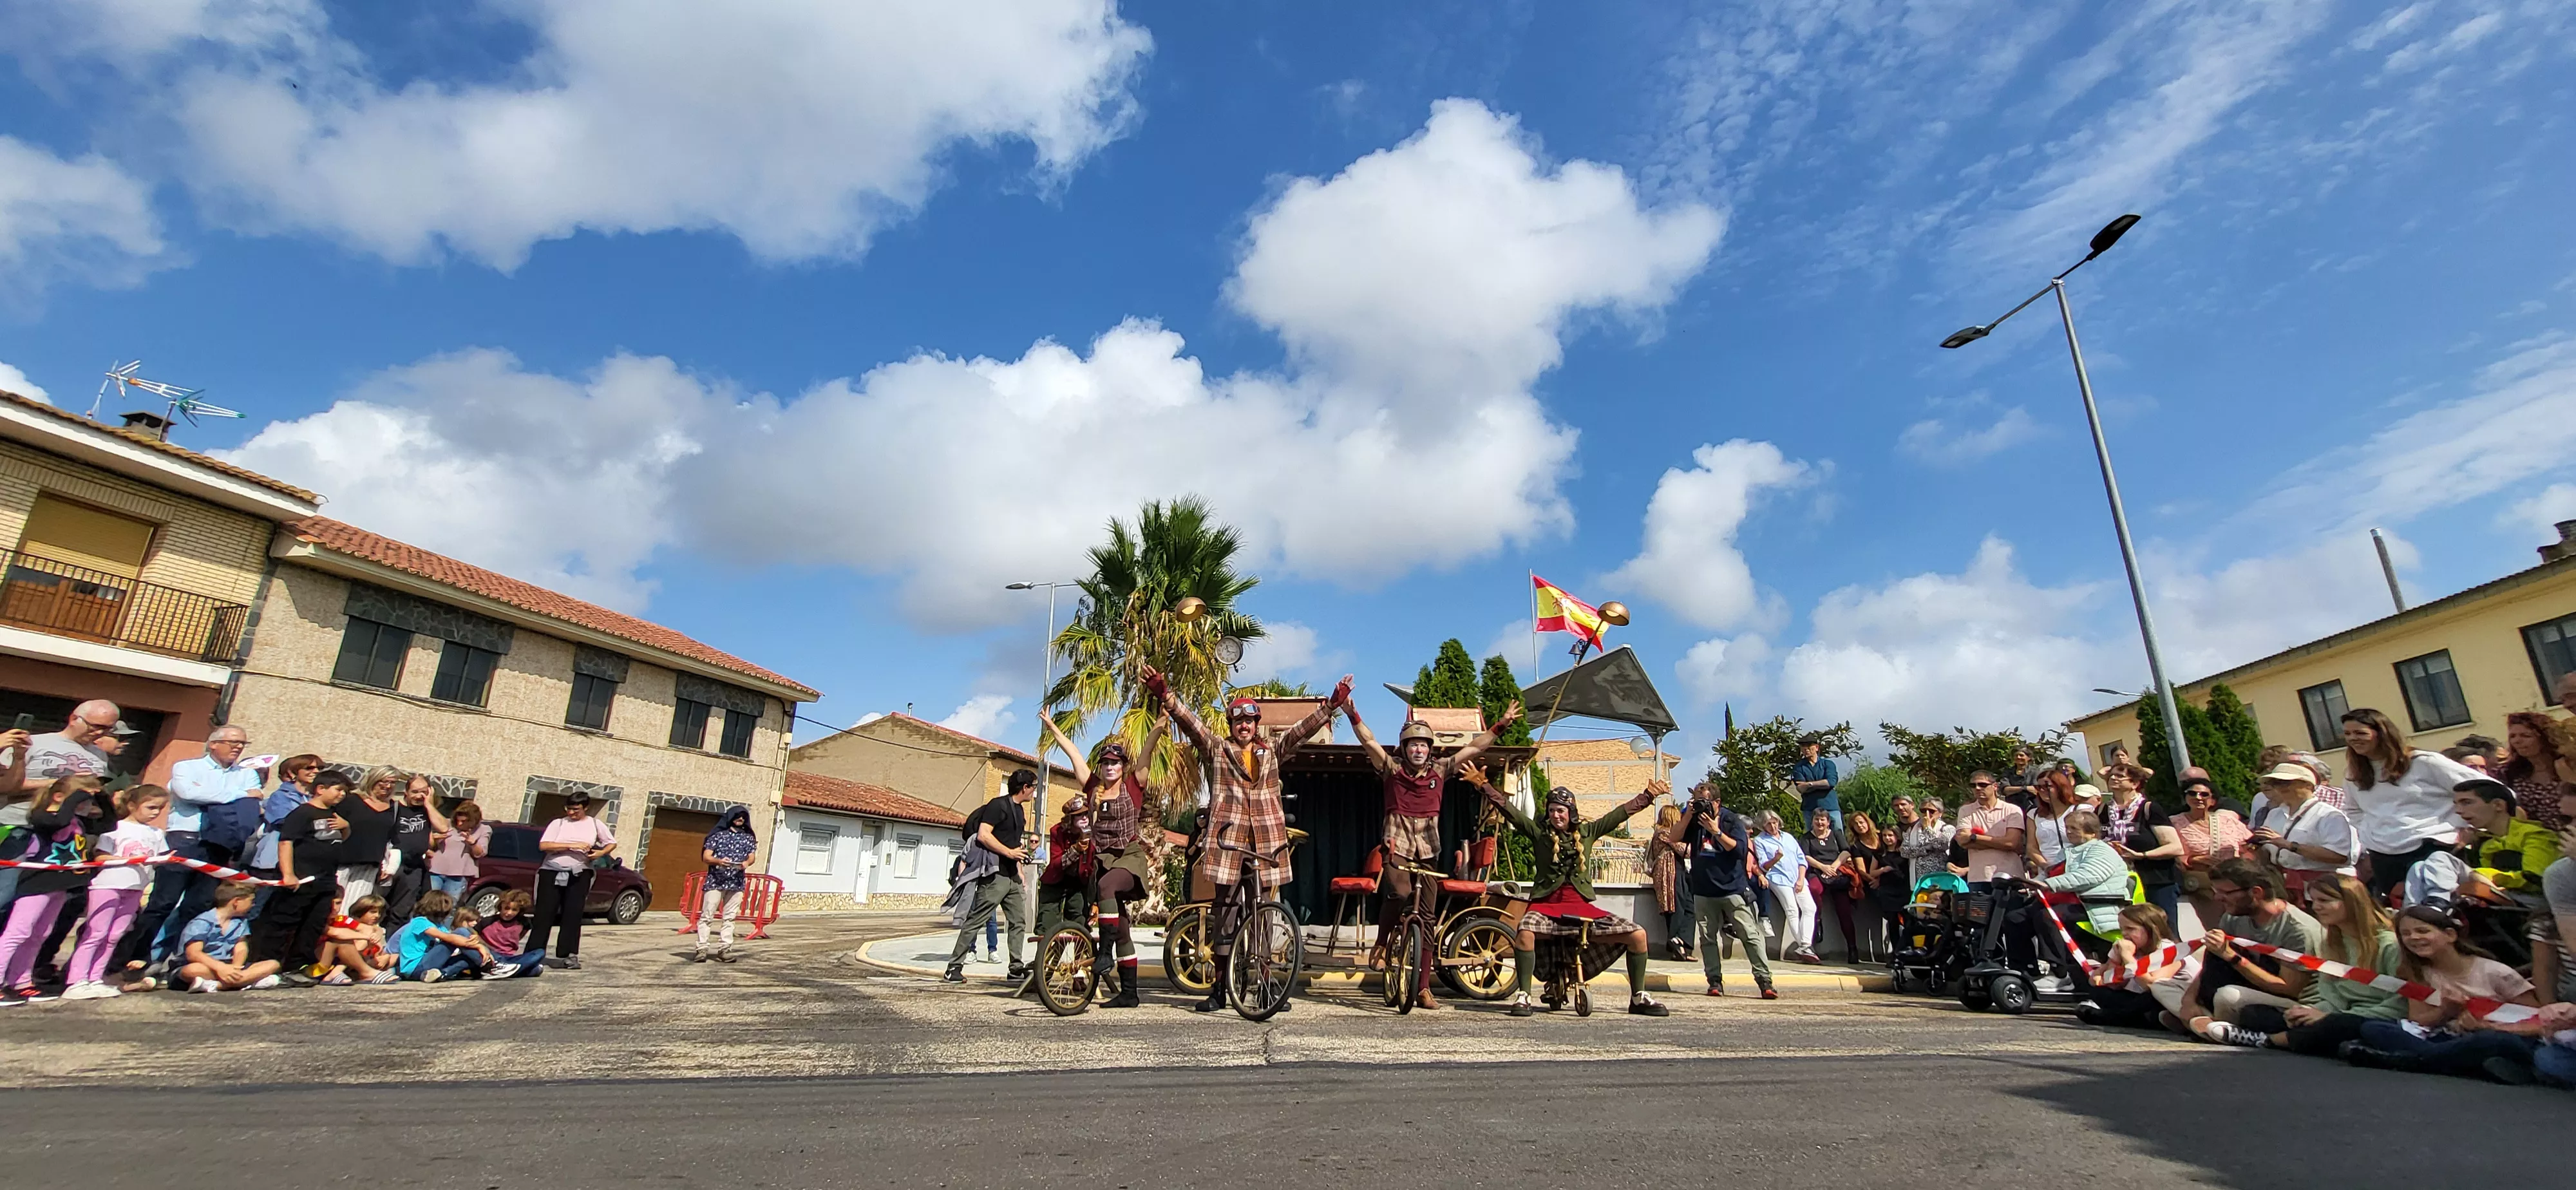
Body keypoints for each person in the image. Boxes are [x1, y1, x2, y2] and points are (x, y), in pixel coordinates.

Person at [1148, 665, 1343, 1014]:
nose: (1244, 727)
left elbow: (1300, 732)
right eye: (1239, 722)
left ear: (1256, 725)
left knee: (1263, 914)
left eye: (1250, 722)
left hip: (1265, 842)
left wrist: (1330, 707)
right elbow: (1192, 725)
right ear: (1231, 725)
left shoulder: (1271, 752)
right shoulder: (1218, 749)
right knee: (1225, 911)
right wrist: (1166, 695)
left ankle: (1265, 987)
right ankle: (1219, 989)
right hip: (1228, 842)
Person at [1339, 691, 1517, 1008]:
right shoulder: (1392, 769)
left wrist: (1500, 725)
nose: (1418, 750)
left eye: (1423, 745)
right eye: (1413, 745)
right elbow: (1369, 742)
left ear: (1430, 749)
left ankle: (1423, 988)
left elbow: (1475, 747)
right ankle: (1382, 943)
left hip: (1428, 852)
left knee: (1428, 919)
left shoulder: (1441, 770)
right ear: (1404, 748)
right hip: (1397, 847)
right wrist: (1353, 714)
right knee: (1400, 894)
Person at [1468, 766, 1670, 1017]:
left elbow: (1619, 814)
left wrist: (1648, 796)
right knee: (1525, 931)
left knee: (1638, 935)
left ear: (1571, 812)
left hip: (1581, 908)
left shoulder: (1587, 832)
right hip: (1545, 906)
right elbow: (1510, 811)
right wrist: (1484, 786)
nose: (1556, 815)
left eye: (1560, 811)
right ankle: (1524, 996)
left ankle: (1638, 997)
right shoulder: (1539, 833)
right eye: (1552, 810)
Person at [1039, 713, 1167, 1009]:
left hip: (1128, 859)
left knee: (1107, 886)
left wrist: (1160, 722)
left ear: (1123, 767)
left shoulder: (1134, 785)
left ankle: (1105, 953)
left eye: (1115, 763)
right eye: (1106, 763)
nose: (1110, 767)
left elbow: (1147, 750)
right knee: (1122, 928)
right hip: (1103, 861)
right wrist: (1053, 728)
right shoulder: (1093, 787)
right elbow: (1073, 753)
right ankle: (1130, 993)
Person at [2198, 874, 2403, 1055]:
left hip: (2371, 1016)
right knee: (2260, 1015)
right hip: (2335, 1012)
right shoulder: (2332, 942)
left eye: (2324, 900)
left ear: (2351, 903)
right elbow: (2330, 991)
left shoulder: (2388, 945)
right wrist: (2311, 1012)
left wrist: (2327, 1016)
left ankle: (2267, 1040)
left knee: (2337, 1026)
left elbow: (2399, 1004)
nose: (2316, 907)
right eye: (2314, 900)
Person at [2343, 905, 2546, 1082]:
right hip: (2447, 1037)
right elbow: (2418, 1019)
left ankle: (2414, 1060)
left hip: (2495, 1036)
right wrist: (2446, 1012)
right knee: (2373, 1028)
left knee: (2491, 1040)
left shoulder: (2496, 972)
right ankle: (2450, 1061)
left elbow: (2538, 1022)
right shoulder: (2419, 973)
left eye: (2423, 931)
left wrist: (2486, 1026)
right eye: (2406, 934)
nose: (2414, 938)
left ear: (2450, 935)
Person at [138, 724, 267, 972]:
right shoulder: (187, 767)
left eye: (243, 744)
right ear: (213, 744)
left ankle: (177, 959)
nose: (238, 747)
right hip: (184, 839)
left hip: (219, 843)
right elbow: (187, 793)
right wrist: (240, 794)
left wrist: (215, 794)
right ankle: (140, 956)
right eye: (233, 742)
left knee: (198, 905)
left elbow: (254, 799)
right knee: (163, 903)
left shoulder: (248, 774)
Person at [2340, 708, 2483, 899]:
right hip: (2384, 857)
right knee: (2404, 912)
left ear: (2382, 733)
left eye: (2360, 733)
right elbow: (2353, 810)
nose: (2353, 739)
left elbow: (2483, 789)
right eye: (2347, 734)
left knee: (2441, 908)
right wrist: (2370, 834)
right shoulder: (2354, 774)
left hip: (2433, 848)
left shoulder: (2423, 762)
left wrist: (2468, 825)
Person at [2179, 858, 2322, 1039]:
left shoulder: (2298, 930)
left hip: (2294, 1002)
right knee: (2164, 986)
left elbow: (2290, 989)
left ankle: (2210, 1025)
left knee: (2227, 996)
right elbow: (2211, 965)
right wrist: (2188, 1001)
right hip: (2252, 987)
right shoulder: (2233, 917)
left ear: (2256, 892)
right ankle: (2205, 1021)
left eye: (2225, 892)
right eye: (2216, 891)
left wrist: (2233, 957)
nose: (2218, 898)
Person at [0, 775, 107, 1004]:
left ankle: (21, 981)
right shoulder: (42, 816)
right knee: (18, 933)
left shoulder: (77, 822)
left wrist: (102, 797)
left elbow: (108, 825)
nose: (84, 804)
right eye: (80, 799)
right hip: (38, 882)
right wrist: (76, 796)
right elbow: (58, 822)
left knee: (40, 934)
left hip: (60, 884)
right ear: (59, 797)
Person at [1665, 782, 1774, 999]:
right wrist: (1687, 816)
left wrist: (1716, 831)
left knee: (1750, 935)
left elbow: (1740, 850)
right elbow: (1673, 838)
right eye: (1697, 801)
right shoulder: (1694, 820)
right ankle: (1714, 981)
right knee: (1708, 939)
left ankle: (1765, 981)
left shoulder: (1730, 820)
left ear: (1717, 802)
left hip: (1732, 888)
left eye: (1705, 801)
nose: (1701, 805)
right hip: (1703, 890)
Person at [61, 784, 168, 1000]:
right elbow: (100, 857)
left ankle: (95, 978)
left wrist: (164, 860)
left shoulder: (157, 833)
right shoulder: (116, 827)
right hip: (108, 885)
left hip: (135, 888)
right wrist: (128, 860)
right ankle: (76, 980)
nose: (155, 813)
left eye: (160, 808)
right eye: (151, 807)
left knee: (114, 936)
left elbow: (158, 859)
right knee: (96, 933)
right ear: (132, 805)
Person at [251, 771, 354, 983]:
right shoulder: (303, 813)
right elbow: (286, 842)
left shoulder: (334, 815)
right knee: (284, 924)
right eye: (338, 790)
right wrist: (288, 874)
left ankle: (297, 967)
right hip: (302, 879)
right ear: (321, 789)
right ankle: (267, 966)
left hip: (326, 880)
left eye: (345, 792)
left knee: (313, 926)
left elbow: (337, 840)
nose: (342, 795)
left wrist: (347, 828)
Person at [942, 768, 1038, 983]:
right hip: (994, 875)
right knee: (976, 920)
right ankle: (953, 967)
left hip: (1012, 877)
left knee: (1018, 921)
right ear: (1025, 788)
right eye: (1033, 787)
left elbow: (1013, 844)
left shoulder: (1019, 811)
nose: (1035, 792)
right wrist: (1009, 853)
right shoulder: (998, 806)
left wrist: (1020, 867)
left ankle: (1015, 969)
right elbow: (984, 835)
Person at [0, 706, 97, 921]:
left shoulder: (98, 754)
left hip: (25, 833)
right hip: (11, 821)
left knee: (5, 896)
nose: (101, 733)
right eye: (96, 726)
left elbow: (8, 786)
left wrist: (18, 757)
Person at [2246, 762, 2356, 902]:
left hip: (2326, 889)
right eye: (2275, 784)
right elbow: (2267, 850)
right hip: (2286, 886)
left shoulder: (2328, 815)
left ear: (2308, 786)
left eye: (2286, 783)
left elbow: (2339, 856)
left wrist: (2289, 845)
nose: (2280, 788)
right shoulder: (2274, 814)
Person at [530, 791, 615, 970]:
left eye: (576, 810)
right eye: (568, 809)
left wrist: (600, 853)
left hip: (579, 873)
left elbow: (611, 843)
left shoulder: (595, 824)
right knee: (544, 914)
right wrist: (571, 846)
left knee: (573, 914)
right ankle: (534, 953)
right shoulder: (559, 823)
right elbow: (544, 845)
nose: (571, 813)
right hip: (552, 871)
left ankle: (568, 954)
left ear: (586, 808)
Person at [2081, 903, 2197, 1030]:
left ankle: (2114, 1017)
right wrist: (2115, 961)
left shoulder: (2169, 950)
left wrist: (2127, 957)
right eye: (2122, 929)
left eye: (2130, 929)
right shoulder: (2127, 947)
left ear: (2151, 929)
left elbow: (2151, 985)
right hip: (2138, 998)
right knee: (2100, 992)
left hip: (2170, 998)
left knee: (2150, 999)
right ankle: (2138, 1018)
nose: (2124, 934)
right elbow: (2113, 984)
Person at [2099, 763, 2181, 920]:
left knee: (2162, 928)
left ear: (2135, 784)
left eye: (2120, 776)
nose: (2113, 778)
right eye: (2111, 776)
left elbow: (2175, 847)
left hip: (2155, 881)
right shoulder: (2103, 810)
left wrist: (2142, 855)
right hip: (2119, 881)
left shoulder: (2149, 808)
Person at [243, 754, 321, 918]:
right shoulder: (281, 796)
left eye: (319, 768)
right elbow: (284, 821)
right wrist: (317, 818)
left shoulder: (314, 798)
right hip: (272, 861)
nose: (316, 771)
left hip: (299, 862)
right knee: (255, 908)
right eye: (309, 768)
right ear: (292, 773)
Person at [175, 881, 281, 992]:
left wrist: (236, 968)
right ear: (236, 902)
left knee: (273, 964)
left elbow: (241, 948)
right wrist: (221, 968)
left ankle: (218, 985)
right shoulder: (201, 923)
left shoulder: (241, 922)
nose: (253, 905)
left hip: (229, 965)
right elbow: (194, 954)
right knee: (193, 970)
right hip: (207, 965)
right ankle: (247, 982)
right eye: (251, 901)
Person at [2174, 776, 2249, 929]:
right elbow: (2172, 853)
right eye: (2192, 793)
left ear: (2213, 801)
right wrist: (2195, 860)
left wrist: (2244, 865)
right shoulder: (2173, 823)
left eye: (2204, 794)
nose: (2198, 798)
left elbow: (2250, 846)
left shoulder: (2227, 821)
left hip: (2235, 881)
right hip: (2204, 885)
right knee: (2218, 928)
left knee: (2244, 925)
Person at [380, 773, 450, 924]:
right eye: (415, 792)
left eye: (423, 792)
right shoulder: (395, 808)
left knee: (402, 911)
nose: (419, 796)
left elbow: (444, 828)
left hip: (414, 868)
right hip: (393, 864)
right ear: (406, 792)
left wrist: (429, 804)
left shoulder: (427, 811)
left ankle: (394, 938)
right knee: (379, 906)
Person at [694, 805, 759, 963]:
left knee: (730, 917)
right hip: (715, 882)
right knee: (707, 915)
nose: (740, 819)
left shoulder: (748, 838)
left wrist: (746, 863)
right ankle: (702, 949)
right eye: (737, 816)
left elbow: (752, 857)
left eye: (743, 817)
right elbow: (706, 857)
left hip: (736, 883)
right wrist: (719, 861)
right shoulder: (717, 836)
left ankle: (725, 949)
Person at [336, 766, 404, 912]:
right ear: (373, 780)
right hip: (341, 863)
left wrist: (390, 867)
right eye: (384, 781)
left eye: (392, 782)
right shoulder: (351, 801)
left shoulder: (394, 808)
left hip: (370, 866)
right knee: (333, 907)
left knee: (355, 909)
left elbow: (393, 840)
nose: (388, 786)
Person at [1753, 810, 1818, 964]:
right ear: (1763, 825)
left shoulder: (1788, 837)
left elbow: (1802, 859)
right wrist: (1776, 859)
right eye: (1769, 824)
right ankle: (1804, 946)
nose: (1773, 826)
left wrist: (1801, 878)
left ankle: (1805, 945)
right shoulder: (1760, 841)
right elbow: (1764, 866)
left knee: (1810, 908)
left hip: (1797, 877)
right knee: (1792, 910)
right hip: (1778, 878)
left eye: (1775, 822)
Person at [391, 889, 489, 982]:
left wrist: (476, 943)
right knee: (461, 932)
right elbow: (448, 938)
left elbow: (457, 941)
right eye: (444, 913)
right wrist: (478, 946)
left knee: (468, 956)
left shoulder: (439, 926)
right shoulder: (419, 922)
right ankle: (488, 966)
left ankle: (441, 974)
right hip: (416, 968)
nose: (445, 916)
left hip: (429, 968)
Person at [1847, 811, 1902, 965]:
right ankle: (1893, 953)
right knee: (1891, 916)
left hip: (1897, 882)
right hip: (1873, 883)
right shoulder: (1857, 846)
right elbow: (1862, 870)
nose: (1860, 826)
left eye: (1862, 822)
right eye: (1856, 824)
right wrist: (1877, 880)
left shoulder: (1882, 836)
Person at [1956, 771, 2027, 891]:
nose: (1977, 788)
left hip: (2010, 875)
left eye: (1983, 785)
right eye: (1973, 785)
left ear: (1995, 786)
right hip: (1978, 878)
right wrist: (2001, 843)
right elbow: (1963, 841)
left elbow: (2011, 843)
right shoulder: (1965, 811)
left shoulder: (2012, 810)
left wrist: (1975, 838)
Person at [2501, 712, 2568, 834]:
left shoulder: (2567, 766)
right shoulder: (2511, 773)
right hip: (2541, 839)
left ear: (2545, 738)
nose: (2517, 741)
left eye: (2526, 736)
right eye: (2513, 736)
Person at [1804, 809, 1857, 962]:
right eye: (1817, 819)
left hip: (1835, 872)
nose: (1820, 823)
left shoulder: (1836, 834)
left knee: (1844, 911)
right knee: (1814, 889)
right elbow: (1806, 856)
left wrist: (1833, 867)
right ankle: (1818, 920)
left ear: (1828, 822)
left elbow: (1846, 852)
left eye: (1823, 820)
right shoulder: (1806, 838)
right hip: (1817, 871)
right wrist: (1823, 867)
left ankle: (1852, 949)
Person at [1649, 804, 1696, 960]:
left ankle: (1683, 945)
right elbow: (1686, 851)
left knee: (1689, 908)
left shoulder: (1663, 833)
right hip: (1670, 876)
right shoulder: (1664, 833)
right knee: (1676, 909)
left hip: (1677, 873)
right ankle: (1677, 947)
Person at [317, 896, 396, 985]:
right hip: (319, 964)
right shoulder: (318, 920)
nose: (377, 916)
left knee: (392, 961)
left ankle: (341, 972)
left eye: (339, 903)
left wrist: (378, 932)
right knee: (343, 940)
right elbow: (336, 933)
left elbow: (368, 929)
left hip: (346, 965)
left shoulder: (340, 918)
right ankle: (338, 972)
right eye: (373, 912)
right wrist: (367, 937)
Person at [426, 799, 489, 903]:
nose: (459, 823)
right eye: (458, 820)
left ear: (474, 820)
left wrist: (472, 843)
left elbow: (480, 854)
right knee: (430, 902)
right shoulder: (448, 825)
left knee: (449, 905)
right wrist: (435, 839)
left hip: (458, 875)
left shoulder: (483, 830)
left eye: (464, 821)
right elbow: (433, 846)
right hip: (436, 871)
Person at [478, 888, 545, 978]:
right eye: (506, 908)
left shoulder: (523, 923)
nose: (509, 913)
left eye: (514, 910)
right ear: (501, 907)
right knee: (535, 970)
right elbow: (473, 934)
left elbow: (520, 935)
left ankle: (507, 970)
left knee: (540, 952)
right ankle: (513, 970)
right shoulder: (487, 922)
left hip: (509, 957)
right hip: (492, 955)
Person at [2023, 768, 2080, 874]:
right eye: (2038, 787)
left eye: (2047, 786)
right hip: (2047, 871)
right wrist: (2046, 866)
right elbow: (2031, 848)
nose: (2042, 790)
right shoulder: (2033, 814)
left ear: (2060, 787)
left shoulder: (2079, 809)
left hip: (2075, 867)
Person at [1895, 795, 1956, 890]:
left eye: (1931, 811)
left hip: (1940, 878)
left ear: (1940, 813)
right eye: (1923, 811)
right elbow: (1904, 851)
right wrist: (1926, 849)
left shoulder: (1947, 829)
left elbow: (1941, 845)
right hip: (1919, 881)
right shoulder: (1912, 830)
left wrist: (1928, 828)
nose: (1927, 814)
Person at [1790, 735, 1841, 832]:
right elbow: (1801, 788)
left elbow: (1830, 782)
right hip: (1810, 808)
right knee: (1812, 836)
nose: (1806, 749)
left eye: (1809, 746)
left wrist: (1809, 784)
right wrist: (1821, 784)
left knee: (1838, 833)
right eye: (1803, 746)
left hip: (1830, 807)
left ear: (1817, 747)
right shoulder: (1799, 767)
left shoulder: (1827, 764)